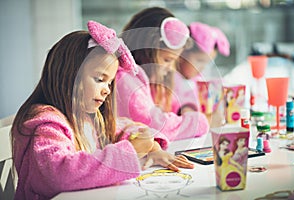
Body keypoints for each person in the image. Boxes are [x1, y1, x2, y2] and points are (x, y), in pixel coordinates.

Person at [11, 20, 194, 200]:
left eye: (109, 82)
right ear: (69, 74)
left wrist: (148, 143)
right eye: (99, 79)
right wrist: (129, 152)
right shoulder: (47, 125)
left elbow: (121, 127)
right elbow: (59, 173)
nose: (107, 89)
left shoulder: (87, 118)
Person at [116, 7, 209, 141]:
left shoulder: (159, 77)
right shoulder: (125, 80)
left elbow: (180, 99)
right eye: (167, 60)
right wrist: (197, 122)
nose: (171, 67)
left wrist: (185, 108)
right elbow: (156, 125)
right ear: (147, 51)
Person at [172, 22, 230, 127]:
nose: (202, 67)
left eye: (206, 63)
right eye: (199, 61)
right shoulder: (172, 81)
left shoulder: (197, 82)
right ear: (181, 54)